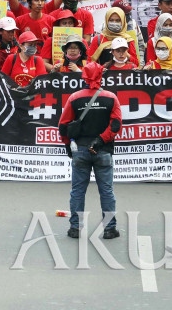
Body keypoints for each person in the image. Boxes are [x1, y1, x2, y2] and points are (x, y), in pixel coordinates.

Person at [58, 63, 122, 239]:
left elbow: (63, 126)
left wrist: (67, 145)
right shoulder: (111, 98)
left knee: (77, 190)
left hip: (80, 150)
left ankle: (75, 228)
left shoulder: (74, 98)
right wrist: (101, 140)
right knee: (107, 191)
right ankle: (110, 229)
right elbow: (116, 125)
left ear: (84, 76)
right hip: (103, 150)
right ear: (101, 76)